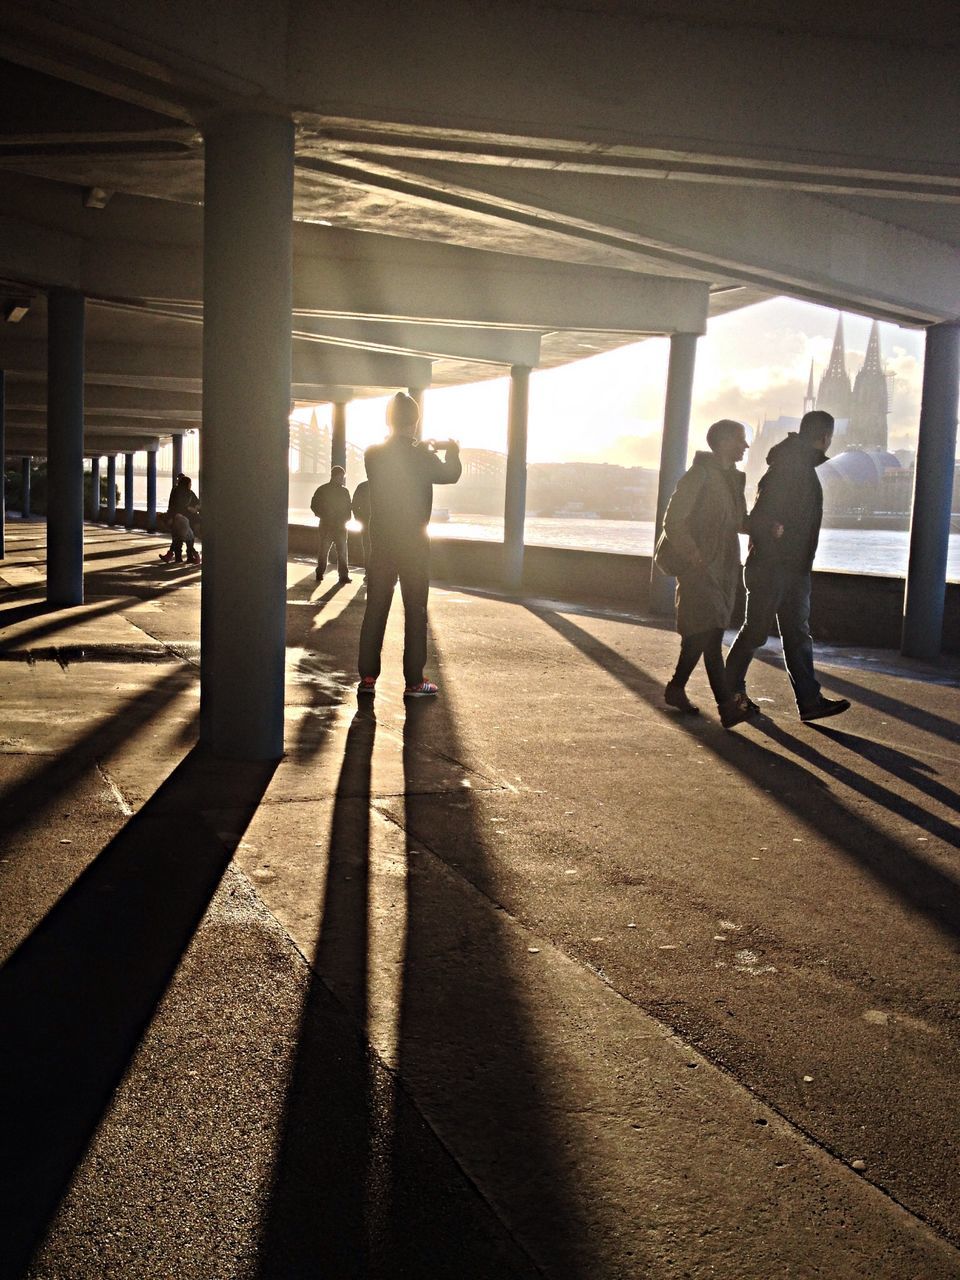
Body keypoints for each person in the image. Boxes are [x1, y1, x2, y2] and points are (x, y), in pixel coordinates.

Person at [725, 409, 851, 722]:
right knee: (758, 632)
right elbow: (759, 516)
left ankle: (809, 701)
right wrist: (771, 530)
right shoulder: (791, 469)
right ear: (824, 438)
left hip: (790, 569)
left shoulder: (792, 467)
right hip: (776, 568)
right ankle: (729, 694)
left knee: (795, 635)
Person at [357, 392, 461, 698]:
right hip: (414, 543)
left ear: (388, 419)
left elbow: (395, 456)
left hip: (382, 542)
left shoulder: (373, 454)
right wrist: (451, 451)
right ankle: (414, 681)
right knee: (415, 611)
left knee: (375, 607)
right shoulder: (422, 457)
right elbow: (450, 474)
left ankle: (367, 677)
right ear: (415, 422)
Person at [661, 419, 752, 729]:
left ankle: (676, 688)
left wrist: (767, 526)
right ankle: (727, 705)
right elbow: (673, 521)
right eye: (741, 439)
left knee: (701, 633)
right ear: (725, 441)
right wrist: (693, 554)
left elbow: (739, 522)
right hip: (700, 569)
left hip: (723, 569)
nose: (746, 446)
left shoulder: (731, 480)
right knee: (711, 634)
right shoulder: (698, 476)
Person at [311, 465, 352, 584]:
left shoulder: (322, 490)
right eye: (341, 477)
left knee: (324, 551)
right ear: (335, 476)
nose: (342, 479)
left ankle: (320, 573)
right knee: (341, 552)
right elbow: (348, 507)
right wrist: (346, 519)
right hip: (339, 527)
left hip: (328, 526)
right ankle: (343, 576)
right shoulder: (344, 492)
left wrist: (322, 515)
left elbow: (314, 505)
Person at [159, 473, 200, 564]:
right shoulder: (186, 492)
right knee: (186, 538)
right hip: (182, 519)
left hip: (179, 518)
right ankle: (193, 556)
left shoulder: (179, 491)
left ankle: (176, 556)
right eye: (190, 483)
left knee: (179, 538)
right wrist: (191, 508)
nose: (190, 485)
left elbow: (172, 505)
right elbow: (192, 504)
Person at [351, 478, 372, 581]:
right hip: (380, 526)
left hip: (365, 524)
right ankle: (375, 574)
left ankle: (368, 573)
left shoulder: (362, 487)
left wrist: (359, 519)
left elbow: (354, 504)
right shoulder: (383, 487)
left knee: (367, 549)